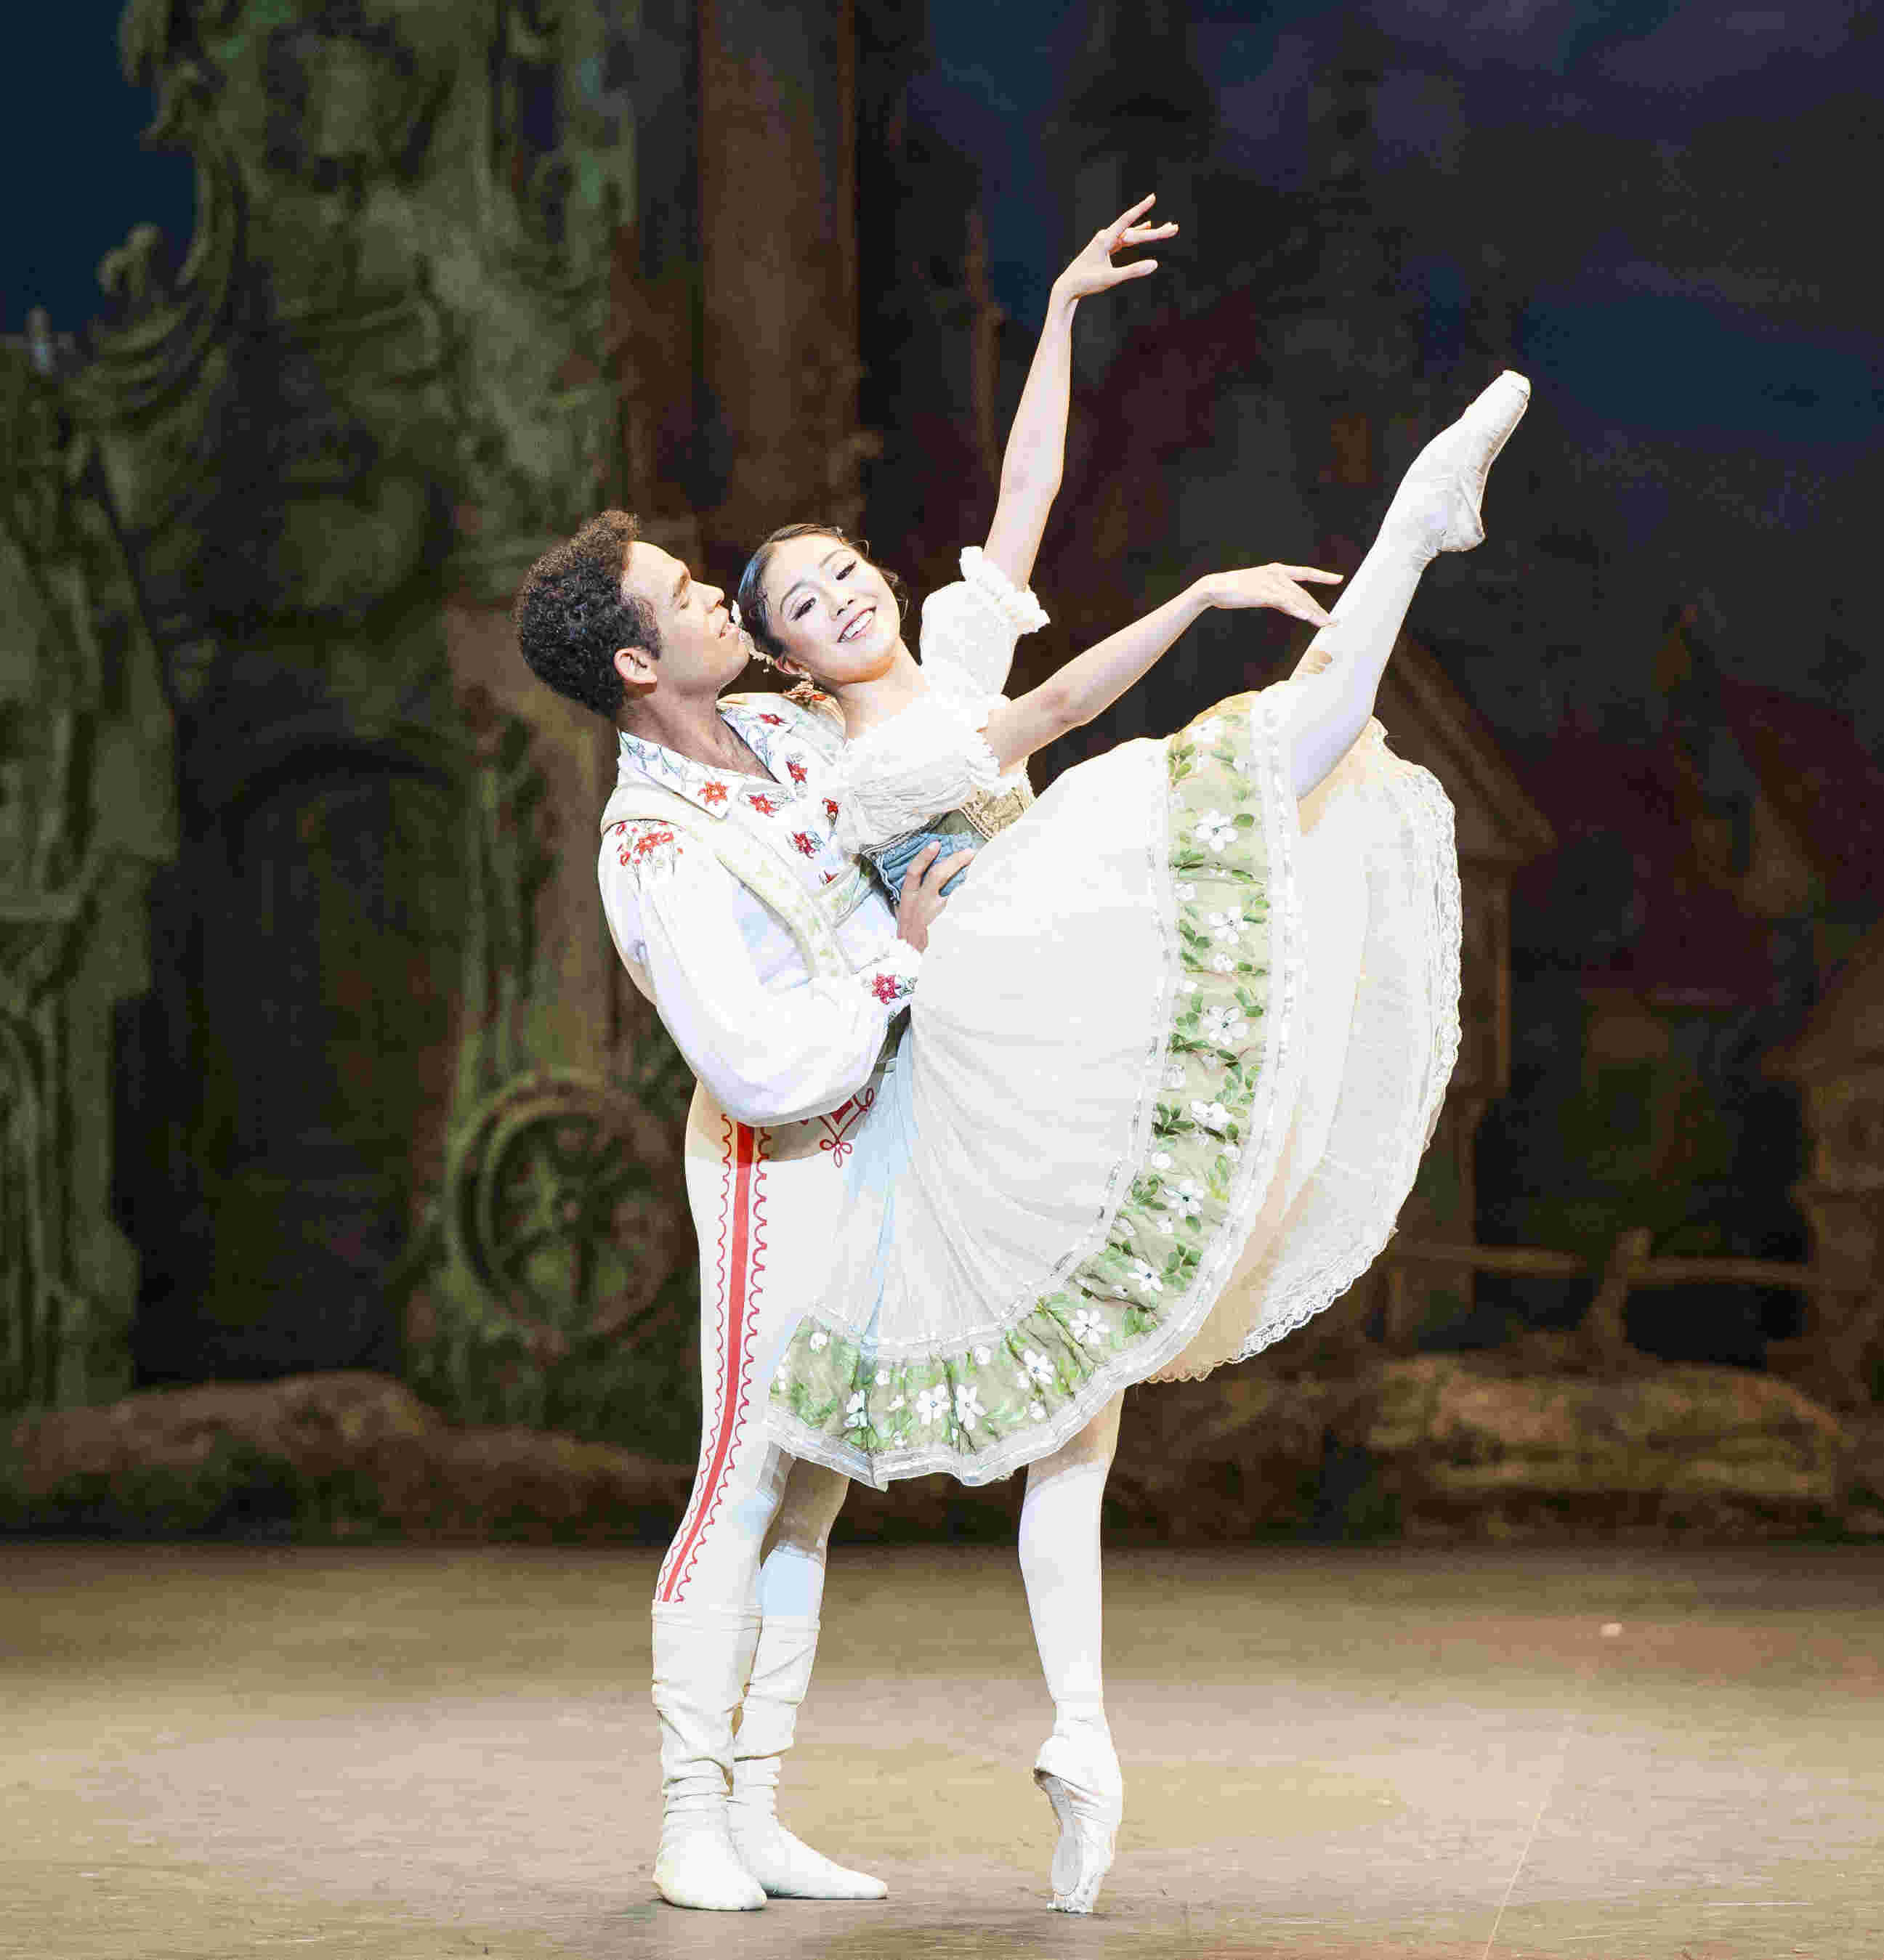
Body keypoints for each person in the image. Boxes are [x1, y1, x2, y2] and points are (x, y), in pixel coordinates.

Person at [732, 368, 1529, 1914]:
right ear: (783, 657)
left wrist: (1058, 317)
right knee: (1231, 763)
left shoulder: (943, 648)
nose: (840, 597)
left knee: (1077, 1432)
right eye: (805, 605)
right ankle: (1412, 531)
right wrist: (1204, 590)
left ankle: (1081, 1740)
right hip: (997, 996)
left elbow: (1018, 505)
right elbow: (1050, 712)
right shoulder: (860, 766)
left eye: (842, 569)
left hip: (1048, 973)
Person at [513, 198, 1181, 1916]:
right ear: (637, 661)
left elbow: (1001, 613)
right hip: (770, 1157)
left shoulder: (779, 723)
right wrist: (907, 952)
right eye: (689, 594)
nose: (723, 592)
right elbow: (753, 1059)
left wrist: (1051, 316)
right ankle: (683, 1808)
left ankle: (755, 1800)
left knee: (816, 1482)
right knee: (745, 1461)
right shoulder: (650, 844)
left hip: (872, 1119)